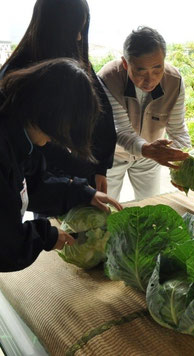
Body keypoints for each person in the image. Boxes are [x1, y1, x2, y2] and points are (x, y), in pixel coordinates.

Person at [0, 58, 122, 272]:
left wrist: (83, 193)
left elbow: (33, 186)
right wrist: (47, 236)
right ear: (50, 115)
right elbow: (7, 246)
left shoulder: (18, 131)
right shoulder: (4, 146)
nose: (55, 141)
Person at [0, 0, 116, 194]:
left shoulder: (75, 63)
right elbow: (33, 178)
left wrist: (100, 167)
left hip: (71, 177)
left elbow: (102, 116)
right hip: (38, 182)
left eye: (83, 28)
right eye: (76, 28)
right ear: (55, 27)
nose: (80, 36)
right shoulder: (19, 74)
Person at [98, 26, 191, 201]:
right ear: (126, 64)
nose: (150, 79)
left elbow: (177, 129)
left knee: (152, 203)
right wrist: (148, 149)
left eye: (157, 69)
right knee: (106, 207)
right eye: (140, 71)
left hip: (150, 154)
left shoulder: (175, 81)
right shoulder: (107, 78)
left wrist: (183, 166)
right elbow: (121, 130)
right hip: (112, 155)